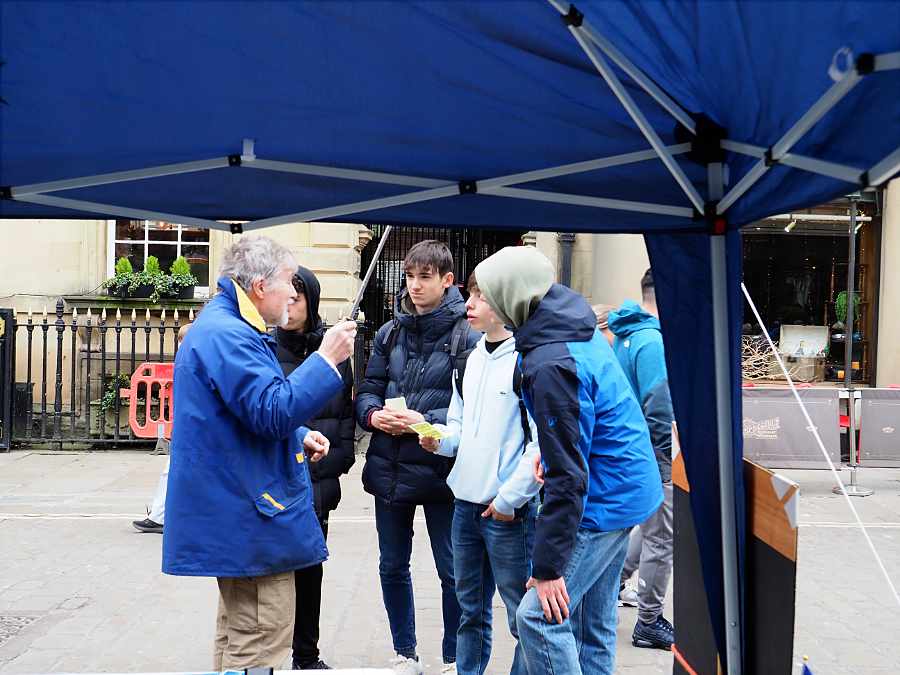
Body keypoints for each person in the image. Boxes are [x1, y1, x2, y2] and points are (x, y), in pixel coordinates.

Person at [162, 236, 357, 670]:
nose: (294, 291)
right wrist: (326, 361)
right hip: (248, 512)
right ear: (259, 286)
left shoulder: (226, 325)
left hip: (240, 507)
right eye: (288, 280)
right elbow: (270, 411)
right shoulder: (231, 333)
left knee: (240, 631)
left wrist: (297, 433)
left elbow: (244, 412)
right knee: (259, 634)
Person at [471, 246, 662, 675]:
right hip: (626, 485)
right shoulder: (568, 322)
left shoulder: (550, 359)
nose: (481, 302)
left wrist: (548, 568)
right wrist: (559, 451)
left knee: (538, 616)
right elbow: (591, 411)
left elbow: (568, 478)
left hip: (604, 497)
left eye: (488, 293)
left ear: (511, 297)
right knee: (592, 623)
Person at [356, 240, 479, 675]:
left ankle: (452, 657)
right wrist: (373, 415)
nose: (414, 286)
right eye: (410, 276)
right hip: (389, 465)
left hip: (443, 469)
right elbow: (367, 388)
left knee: (453, 570)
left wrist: (421, 419)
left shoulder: (468, 335)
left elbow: (474, 406)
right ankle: (404, 653)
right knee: (392, 564)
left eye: (425, 277)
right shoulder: (390, 332)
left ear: (448, 281)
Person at [419, 271, 541, 675]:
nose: (468, 304)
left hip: (507, 512)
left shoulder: (527, 362)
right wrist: (440, 439)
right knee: (469, 610)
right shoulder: (470, 360)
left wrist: (509, 500)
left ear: (505, 303)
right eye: (469, 294)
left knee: (522, 617)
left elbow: (540, 444)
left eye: (480, 297)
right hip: (464, 505)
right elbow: (459, 423)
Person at [275, 266, 356, 671]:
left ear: (312, 301)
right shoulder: (264, 348)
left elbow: (345, 417)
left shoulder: (334, 348)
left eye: (298, 298)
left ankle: (306, 653)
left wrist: (336, 464)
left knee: (310, 573)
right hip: (276, 480)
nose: (289, 305)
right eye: (285, 296)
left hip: (318, 480)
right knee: (273, 575)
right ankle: (271, 651)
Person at [607, 268, 675, 650]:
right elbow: (659, 403)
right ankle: (649, 619)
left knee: (647, 528)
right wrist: (666, 457)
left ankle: (615, 583)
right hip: (652, 451)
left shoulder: (627, 334)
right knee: (661, 537)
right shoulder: (652, 341)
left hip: (632, 448)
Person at [133, 322, 194, 535]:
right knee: (173, 472)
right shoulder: (187, 362)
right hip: (190, 428)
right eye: (179, 341)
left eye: (183, 341)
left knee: (174, 472)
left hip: (194, 429)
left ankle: (161, 517)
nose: (180, 346)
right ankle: (160, 516)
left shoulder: (192, 362)